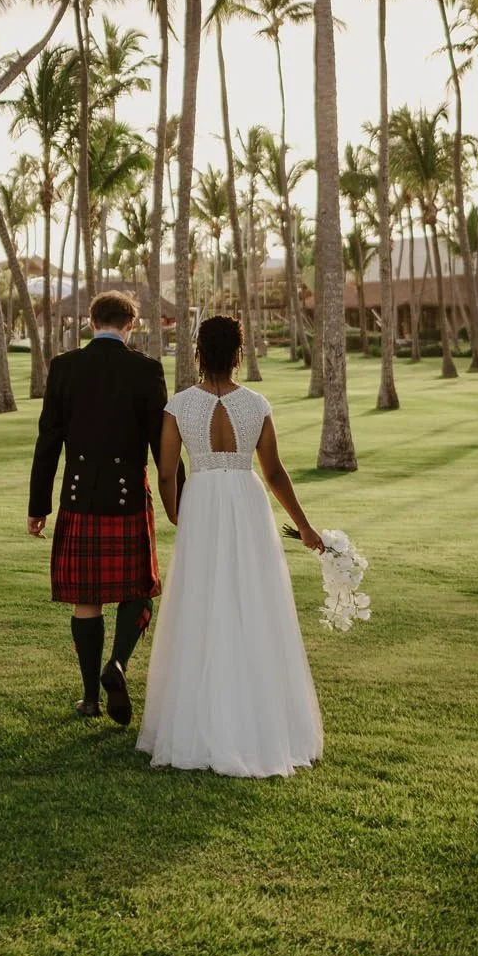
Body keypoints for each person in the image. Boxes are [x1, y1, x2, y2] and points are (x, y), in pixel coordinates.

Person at [137, 313, 325, 778]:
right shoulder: (256, 404)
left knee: (200, 603)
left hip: (199, 499)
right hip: (246, 501)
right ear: (238, 353)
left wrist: (177, 512)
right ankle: (258, 718)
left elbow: (163, 472)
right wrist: (305, 526)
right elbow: (275, 473)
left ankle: (199, 719)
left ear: (198, 351)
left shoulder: (179, 406)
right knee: (252, 600)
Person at [27, 289, 170, 723]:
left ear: (91, 323)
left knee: (85, 600)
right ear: (131, 325)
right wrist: (182, 501)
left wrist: (39, 505)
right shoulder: (146, 371)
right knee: (139, 590)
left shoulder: (65, 367)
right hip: (128, 498)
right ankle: (118, 665)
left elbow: (49, 439)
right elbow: (162, 447)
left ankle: (90, 697)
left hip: (78, 497)